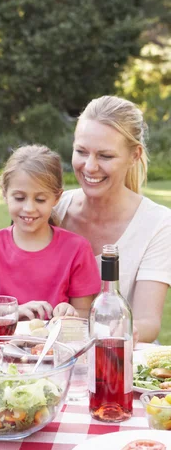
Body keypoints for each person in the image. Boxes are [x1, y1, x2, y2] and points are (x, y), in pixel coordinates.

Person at [55, 95, 171, 343]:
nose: (90, 166)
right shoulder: (54, 210)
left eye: (105, 156)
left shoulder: (159, 224)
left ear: (134, 155)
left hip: (121, 358)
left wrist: (116, 334)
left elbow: (148, 322)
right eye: (81, 152)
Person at [0, 145, 101, 325]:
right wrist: (12, 311)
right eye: (20, 198)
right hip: (2, 348)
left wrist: (70, 312)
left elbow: (84, 312)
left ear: (57, 197)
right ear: (5, 193)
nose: (29, 208)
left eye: (40, 199)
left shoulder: (76, 248)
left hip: (55, 349)